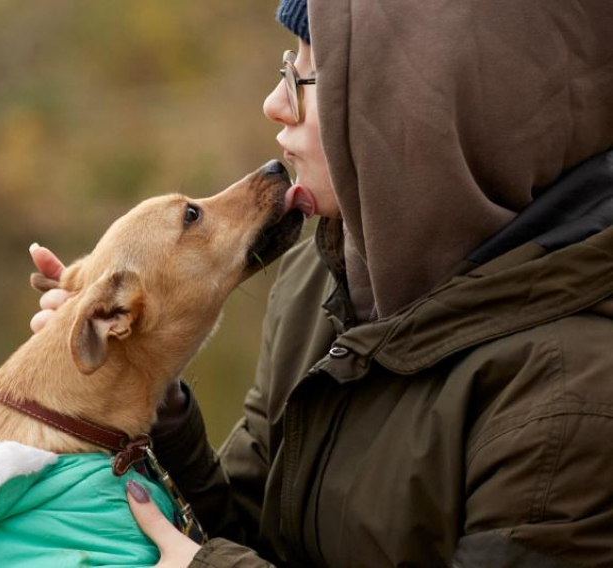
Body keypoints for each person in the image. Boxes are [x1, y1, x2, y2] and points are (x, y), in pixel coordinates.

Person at [31, 0, 613, 566]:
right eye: (288, 63)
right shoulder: (318, 274)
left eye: (310, 76)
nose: (276, 104)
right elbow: (245, 533)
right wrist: (142, 379)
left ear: (426, 103)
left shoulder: (573, 398)